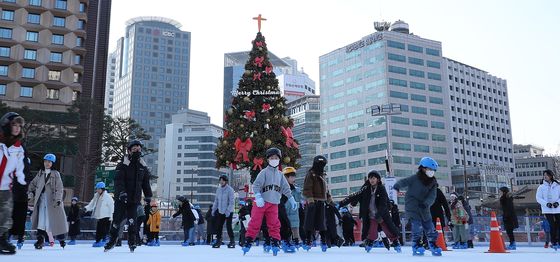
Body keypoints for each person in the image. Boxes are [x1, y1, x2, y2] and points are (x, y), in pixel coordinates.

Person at [242, 147, 297, 256]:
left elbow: (286, 188)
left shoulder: (280, 175)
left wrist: (291, 198)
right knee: (255, 222)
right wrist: (258, 196)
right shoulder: (264, 172)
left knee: (274, 224)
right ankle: (248, 241)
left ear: (279, 159)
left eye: (276, 158)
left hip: (274, 204)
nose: (274, 160)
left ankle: (275, 242)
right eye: (272, 158)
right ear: (268, 160)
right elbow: (257, 185)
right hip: (261, 203)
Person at [104, 140, 153, 252]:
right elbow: (118, 180)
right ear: (129, 151)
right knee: (117, 220)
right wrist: (121, 192)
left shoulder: (142, 166)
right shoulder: (123, 164)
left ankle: (132, 241)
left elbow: (145, 183)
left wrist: (148, 196)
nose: (137, 151)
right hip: (121, 198)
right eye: (135, 149)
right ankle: (112, 240)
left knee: (132, 221)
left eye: (139, 149)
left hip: (134, 199)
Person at [339, 170, 402, 253]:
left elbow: (383, 203)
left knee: (388, 229)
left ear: (378, 179)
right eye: (370, 178)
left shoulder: (381, 188)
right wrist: (341, 203)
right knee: (371, 231)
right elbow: (354, 196)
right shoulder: (365, 189)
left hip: (382, 215)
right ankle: (369, 243)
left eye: (373, 178)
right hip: (371, 215)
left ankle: (396, 243)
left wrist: (379, 214)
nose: (372, 180)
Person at [393, 157, 441, 256]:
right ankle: (417, 244)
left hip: (424, 207)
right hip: (412, 206)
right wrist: (397, 186)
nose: (431, 172)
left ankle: (432, 244)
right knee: (417, 226)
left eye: (433, 170)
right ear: (423, 168)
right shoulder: (415, 178)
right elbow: (404, 181)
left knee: (430, 227)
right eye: (429, 169)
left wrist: (426, 203)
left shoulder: (433, 183)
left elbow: (433, 196)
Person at [28, 153, 68, 249]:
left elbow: (59, 188)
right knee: (41, 220)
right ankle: (40, 240)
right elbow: (32, 184)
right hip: (41, 200)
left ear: (53, 163)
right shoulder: (40, 173)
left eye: (49, 162)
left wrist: (58, 199)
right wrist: (30, 193)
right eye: (45, 161)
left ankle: (61, 239)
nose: (47, 163)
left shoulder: (56, 174)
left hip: (53, 201)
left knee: (54, 221)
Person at [0, 112, 26, 255]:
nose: (17, 128)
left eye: (19, 126)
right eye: (14, 125)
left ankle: (2, 238)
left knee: (5, 213)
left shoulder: (18, 147)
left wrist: (21, 179)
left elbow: (20, 165)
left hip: (5, 185)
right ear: (6, 125)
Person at [302, 155, 331, 252]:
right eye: (319, 164)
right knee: (309, 222)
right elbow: (307, 188)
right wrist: (310, 200)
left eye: (322, 164)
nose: (321, 166)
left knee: (321, 222)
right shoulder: (311, 174)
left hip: (321, 201)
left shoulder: (323, 174)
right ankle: (307, 240)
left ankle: (323, 241)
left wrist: (328, 198)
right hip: (312, 201)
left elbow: (325, 188)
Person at [9, 147, 31, 250]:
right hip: (12, 194)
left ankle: (20, 237)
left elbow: (28, 177)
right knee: (11, 216)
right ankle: (8, 235)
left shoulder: (26, 162)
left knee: (21, 218)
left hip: (22, 195)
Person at [84, 182, 114, 247]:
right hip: (99, 216)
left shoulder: (107, 197)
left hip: (106, 216)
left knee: (104, 229)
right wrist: (86, 208)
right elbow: (92, 203)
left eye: (98, 189)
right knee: (99, 229)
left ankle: (104, 240)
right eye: (97, 189)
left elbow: (112, 207)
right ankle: (98, 240)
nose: (97, 190)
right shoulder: (96, 195)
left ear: (102, 189)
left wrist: (111, 216)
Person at [536, 169, 560, 250]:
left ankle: (558, 241)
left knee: (558, 225)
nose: (545, 176)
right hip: (547, 209)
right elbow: (538, 198)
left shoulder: (558, 185)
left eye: (547, 175)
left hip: (558, 209)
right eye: (544, 175)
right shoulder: (541, 187)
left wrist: (557, 203)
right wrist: (546, 204)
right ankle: (554, 242)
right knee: (552, 226)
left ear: (551, 175)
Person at [281, 167, 303, 250]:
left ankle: (296, 240)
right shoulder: (282, 189)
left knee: (295, 226)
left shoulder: (296, 189)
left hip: (294, 212)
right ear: (286, 177)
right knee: (286, 226)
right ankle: (285, 241)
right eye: (292, 176)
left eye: (294, 176)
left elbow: (299, 199)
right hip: (285, 212)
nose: (294, 178)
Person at [211, 174, 235, 248]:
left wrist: (228, 211)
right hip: (220, 211)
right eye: (220, 180)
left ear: (226, 181)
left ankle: (232, 241)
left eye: (223, 180)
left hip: (228, 212)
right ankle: (218, 241)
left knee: (228, 227)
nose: (221, 182)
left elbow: (231, 202)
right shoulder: (218, 189)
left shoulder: (230, 190)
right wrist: (213, 209)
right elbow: (216, 201)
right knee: (219, 227)